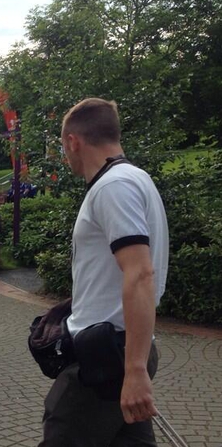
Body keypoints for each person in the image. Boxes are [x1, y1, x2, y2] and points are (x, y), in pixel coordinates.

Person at [39, 98, 168, 446]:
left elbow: (140, 273)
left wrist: (135, 369)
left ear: (73, 142)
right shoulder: (134, 179)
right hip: (120, 353)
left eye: (64, 148)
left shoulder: (113, 186)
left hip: (105, 360)